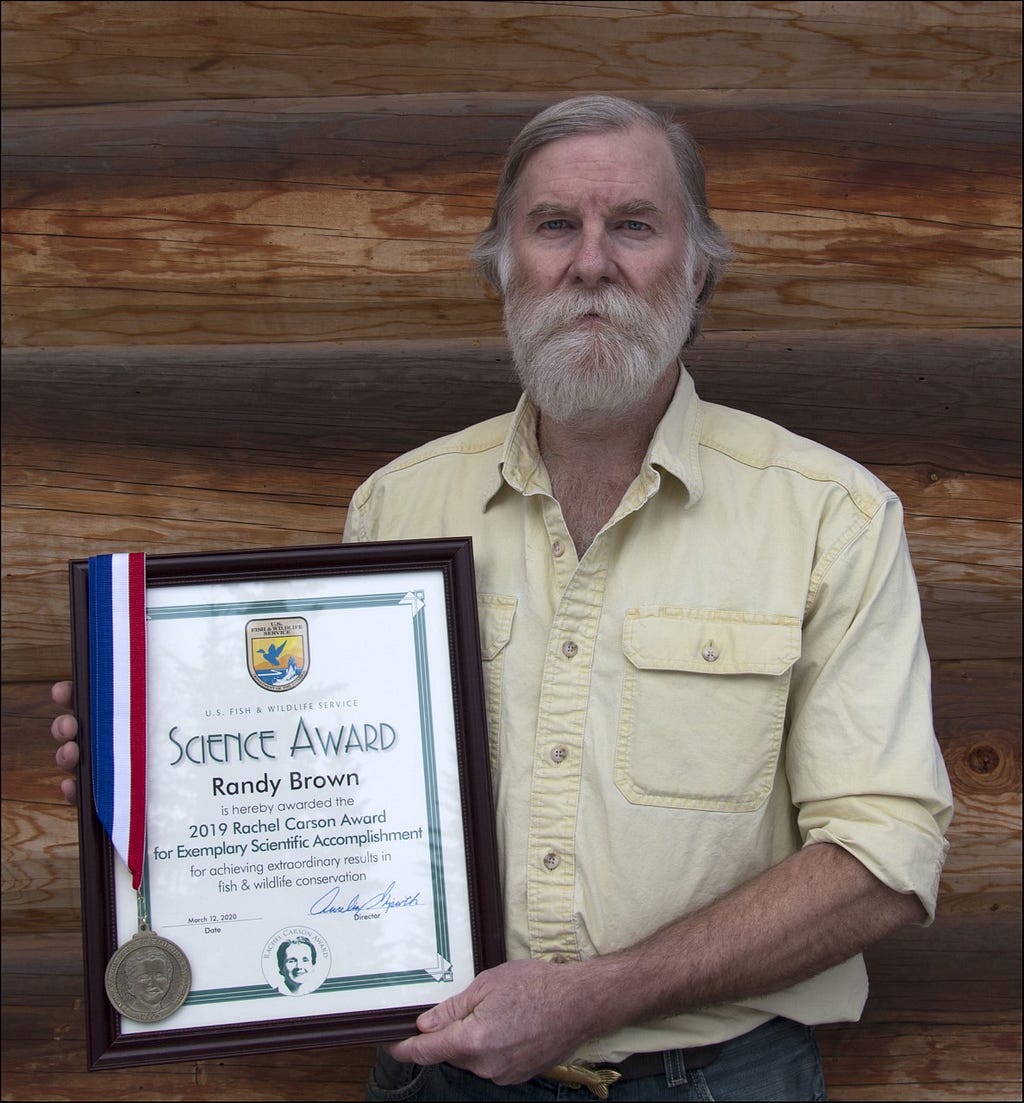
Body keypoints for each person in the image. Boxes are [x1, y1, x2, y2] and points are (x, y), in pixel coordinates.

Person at [53, 95, 953, 1101]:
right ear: (504, 266)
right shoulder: (398, 504)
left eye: (636, 225)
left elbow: (882, 853)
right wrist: (161, 769)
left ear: (696, 269)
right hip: (442, 1073)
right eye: (555, 224)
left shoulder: (829, 516)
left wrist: (597, 993)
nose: (592, 260)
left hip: (718, 1076)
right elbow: (322, 793)